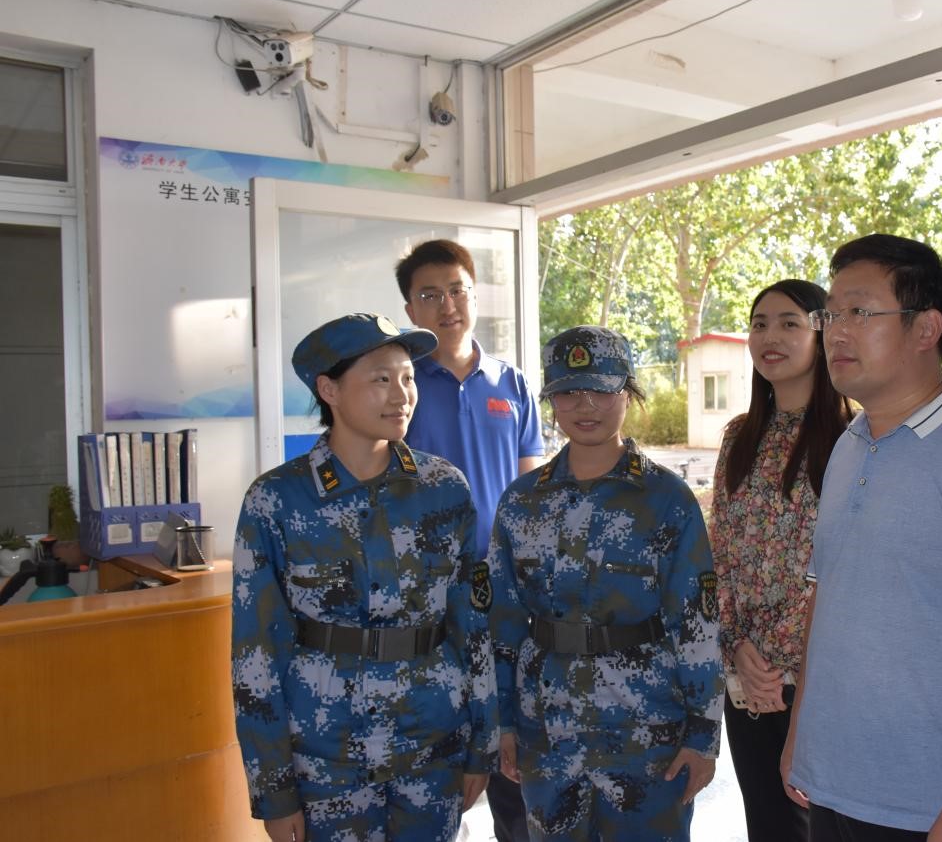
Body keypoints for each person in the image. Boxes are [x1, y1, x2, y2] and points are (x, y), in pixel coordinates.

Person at [781, 234, 942, 842]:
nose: (836, 333)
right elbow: (825, 603)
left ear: (926, 328)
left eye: (859, 312)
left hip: (934, 807)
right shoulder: (849, 446)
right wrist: (801, 736)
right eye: (830, 315)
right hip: (832, 783)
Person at [231, 313, 497, 842]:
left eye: (408, 378)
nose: (402, 395)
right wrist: (273, 789)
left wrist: (481, 746)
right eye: (381, 379)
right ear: (329, 389)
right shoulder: (277, 500)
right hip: (326, 757)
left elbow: (472, 625)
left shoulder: (444, 489)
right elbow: (255, 654)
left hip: (432, 745)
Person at [489, 325, 724, 842]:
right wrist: (501, 722)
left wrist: (703, 734)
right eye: (569, 392)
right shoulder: (522, 502)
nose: (585, 405)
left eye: (601, 390)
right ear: (551, 401)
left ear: (628, 394)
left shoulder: (666, 499)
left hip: (647, 733)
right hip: (546, 730)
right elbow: (501, 623)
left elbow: (697, 624)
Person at [395, 238, 544, 841]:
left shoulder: (511, 383)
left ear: (475, 296)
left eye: (457, 290)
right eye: (430, 295)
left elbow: (532, 486)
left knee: (512, 751)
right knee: (438, 753)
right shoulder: (401, 384)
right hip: (426, 595)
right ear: (411, 309)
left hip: (505, 593)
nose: (447, 305)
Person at [710, 279, 851, 842]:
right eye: (759, 324)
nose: (770, 337)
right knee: (769, 826)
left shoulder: (853, 435)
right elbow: (720, 552)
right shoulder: (738, 436)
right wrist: (738, 648)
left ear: (822, 333)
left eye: (789, 323)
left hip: (821, 674)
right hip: (747, 676)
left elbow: (843, 563)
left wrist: (783, 666)